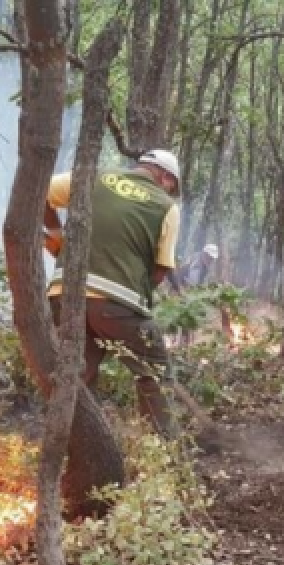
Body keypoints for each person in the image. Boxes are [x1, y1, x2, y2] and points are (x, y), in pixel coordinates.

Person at [42, 149, 182, 438]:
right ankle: (162, 449)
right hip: (117, 302)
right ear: (165, 177)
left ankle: (76, 447)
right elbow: (160, 271)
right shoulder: (166, 206)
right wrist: (135, 293)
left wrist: (56, 237)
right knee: (154, 372)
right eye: (172, 186)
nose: (171, 191)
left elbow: (42, 193)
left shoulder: (95, 176)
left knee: (78, 376)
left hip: (63, 295)